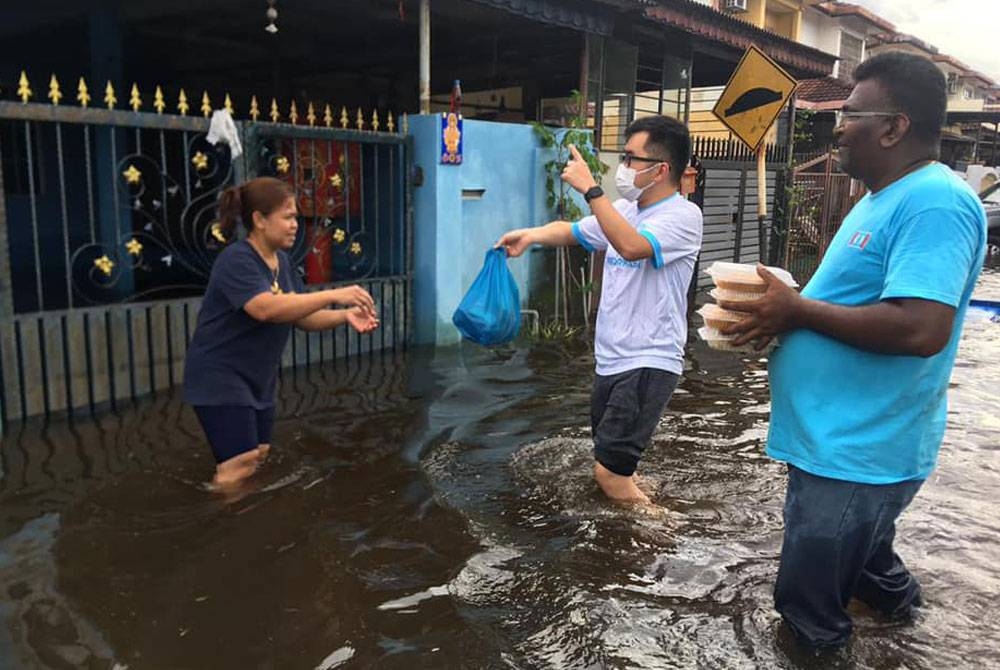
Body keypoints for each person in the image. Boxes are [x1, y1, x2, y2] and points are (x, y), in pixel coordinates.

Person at [719, 52, 988, 647]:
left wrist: (796, 311)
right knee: (870, 573)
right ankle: (918, 644)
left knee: (807, 612)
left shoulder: (935, 203)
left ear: (893, 127)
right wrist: (786, 313)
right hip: (841, 441)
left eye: (849, 115)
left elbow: (921, 329)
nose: (837, 129)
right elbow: (857, 301)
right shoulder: (882, 197)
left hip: (857, 451)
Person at [497, 115, 703, 504]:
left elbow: (631, 246)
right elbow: (575, 232)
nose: (623, 167)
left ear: (661, 169)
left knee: (609, 475)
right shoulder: (626, 210)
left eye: (631, 158)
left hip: (648, 358)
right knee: (616, 466)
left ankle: (670, 531)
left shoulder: (683, 216)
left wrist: (591, 189)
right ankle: (645, 508)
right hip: (611, 360)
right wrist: (530, 236)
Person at [183, 177, 379, 488]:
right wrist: (333, 294)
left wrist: (344, 316)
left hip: (258, 378)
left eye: (296, 218)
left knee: (259, 455)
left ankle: (238, 506)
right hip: (221, 376)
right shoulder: (237, 259)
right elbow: (265, 308)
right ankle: (223, 516)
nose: (295, 225)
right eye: (287, 217)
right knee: (240, 463)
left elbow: (302, 316)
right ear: (259, 220)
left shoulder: (282, 263)